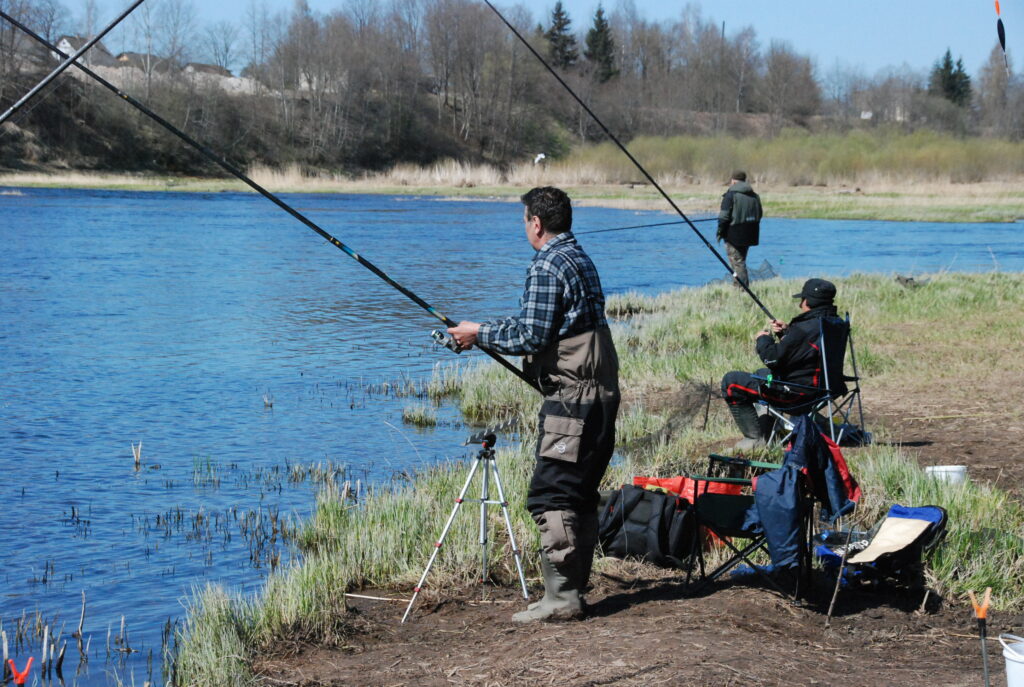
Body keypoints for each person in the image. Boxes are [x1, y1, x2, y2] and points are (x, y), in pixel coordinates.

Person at [447, 187, 620, 623]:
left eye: (524, 220)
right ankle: (571, 593)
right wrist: (478, 328)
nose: (525, 226)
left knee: (551, 495)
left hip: (573, 401)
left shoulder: (547, 263)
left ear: (536, 223)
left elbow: (530, 337)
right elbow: (536, 325)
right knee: (579, 494)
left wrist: (479, 335)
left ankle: (562, 601)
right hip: (599, 394)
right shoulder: (578, 257)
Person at [720, 278, 840, 449]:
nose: (800, 305)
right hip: (825, 391)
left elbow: (772, 359)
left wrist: (763, 340)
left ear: (808, 301)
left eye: (802, 300)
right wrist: (788, 333)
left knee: (731, 381)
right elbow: (806, 353)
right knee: (761, 374)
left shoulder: (805, 328)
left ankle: (754, 440)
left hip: (798, 396)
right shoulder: (834, 323)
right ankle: (806, 425)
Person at [717, 170, 763, 287]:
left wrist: (720, 232)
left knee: (737, 262)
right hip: (750, 233)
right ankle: (738, 286)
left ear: (733, 181)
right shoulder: (754, 195)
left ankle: (742, 290)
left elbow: (723, 217)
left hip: (734, 234)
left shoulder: (730, 195)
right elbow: (760, 214)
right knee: (740, 261)